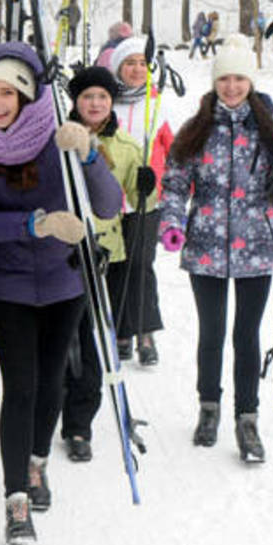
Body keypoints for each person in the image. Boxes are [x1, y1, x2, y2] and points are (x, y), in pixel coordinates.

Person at [0, 42, 122, 545]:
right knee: (22, 388)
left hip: (64, 280)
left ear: (27, 92)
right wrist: (35, 223)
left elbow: (108, 204)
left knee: (52, 381)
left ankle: (37, 463)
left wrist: (90, 153)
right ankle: (16, 499)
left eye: (7, 92)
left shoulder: (58, 136)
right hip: (10, 282)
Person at [159, 34, 273, 463]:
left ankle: (247, 417)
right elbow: (173, 183)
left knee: (246, 336)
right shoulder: (197, 129)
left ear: (249, 80)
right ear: (214, 81)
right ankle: (209, 407)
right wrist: (172, 223)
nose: (231, 87)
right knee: (211, 334)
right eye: (224, 78)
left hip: (257, 249)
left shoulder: (269, 131)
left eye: (239, 78)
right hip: (205, 246)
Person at [60, 66, 156, 462]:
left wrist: (147, 185)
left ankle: (79, 424)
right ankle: (53, 403)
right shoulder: (59, 138)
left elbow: (139, 200)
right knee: (64, 338)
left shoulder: (128, 146)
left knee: (95, 340)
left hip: (108, 255)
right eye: (87, 98)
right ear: (76, 102)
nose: (95, 104)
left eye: (102, 97)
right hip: (64, 253)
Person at [108, 36, 172, 364]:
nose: (136, 69)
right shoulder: (106, 102)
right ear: (119, 67)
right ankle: (120, 330)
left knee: (142, 265)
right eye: (129, 63)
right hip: (110, 199)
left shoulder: (157, 104)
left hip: (146, 199)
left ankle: (144, 332)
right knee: (118, 266)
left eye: (141, 64)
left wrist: (168, 183)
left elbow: (172, 149)